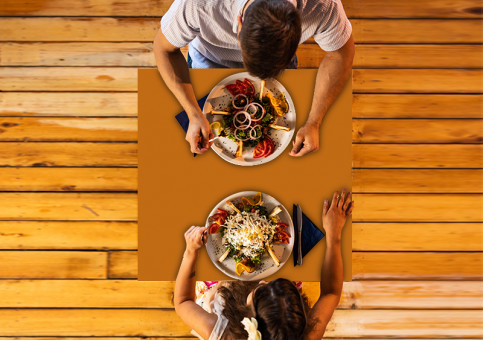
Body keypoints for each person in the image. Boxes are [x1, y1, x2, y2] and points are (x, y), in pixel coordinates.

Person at [154, 0, 355, 156]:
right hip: (209, 60)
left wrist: (314, 122)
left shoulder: (323, 6)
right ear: (239, 24)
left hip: (281, 70)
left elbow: (341, 54)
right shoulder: (197, 5)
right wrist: (192, 113)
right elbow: (163, 49)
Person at [174, 189, 353, 339]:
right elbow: (331, 294)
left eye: (261, 290)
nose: (263, 281)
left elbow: (183, 302)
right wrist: (334, 236)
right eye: (274, 283)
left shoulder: (224, 334)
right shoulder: (306, 335)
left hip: (221, 292)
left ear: (249, 319)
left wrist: (191, 251)